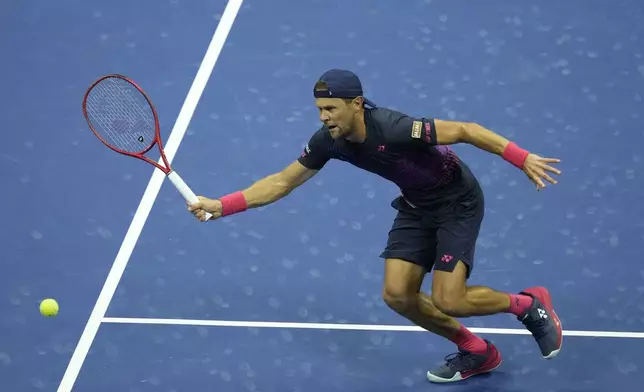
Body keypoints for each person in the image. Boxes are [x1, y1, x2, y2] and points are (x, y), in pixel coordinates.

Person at [187, 69, 563, 383]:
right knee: (398, 296)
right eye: (319, 109)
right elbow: (282, 182)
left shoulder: (396, 128)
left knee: (451, 299)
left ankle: (528, 305)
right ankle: (477, 351)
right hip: (416, 206)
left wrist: (522, 157)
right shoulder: (328, 141)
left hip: (456, 204)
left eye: (331, 108)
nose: (324, 116)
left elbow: (465, 129)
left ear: (355, 105)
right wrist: (223, 205)